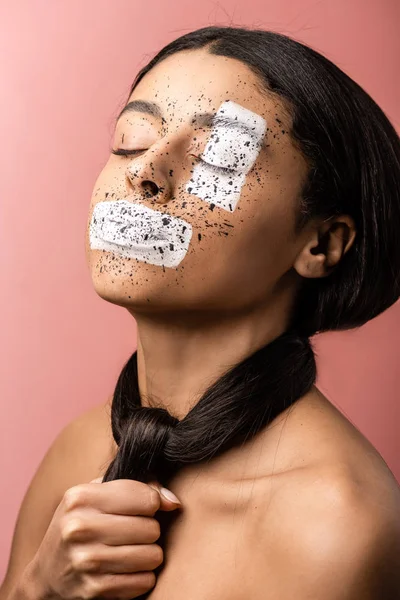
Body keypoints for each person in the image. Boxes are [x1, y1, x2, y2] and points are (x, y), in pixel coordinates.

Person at [2, 26, 400, 600]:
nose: (146, 172)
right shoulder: (78, 449)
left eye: (220, 156)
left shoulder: (335, 522)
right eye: (132, 138)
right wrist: (39, 588)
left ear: (321, 244)